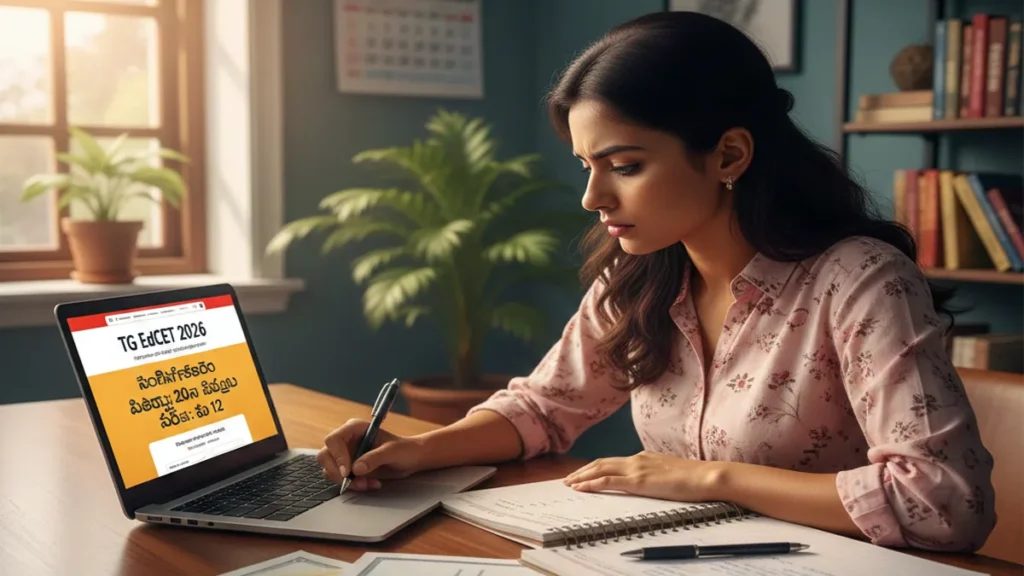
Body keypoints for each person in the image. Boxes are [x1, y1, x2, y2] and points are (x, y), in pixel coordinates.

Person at [316, 11, 995, 552]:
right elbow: (545, 407)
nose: (592, 197)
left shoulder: (862, 281)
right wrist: (414, 451)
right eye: (586, 165)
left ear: (729, 154)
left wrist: (704, 480)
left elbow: (943, 503)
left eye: (624, 165)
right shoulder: (639, 278)